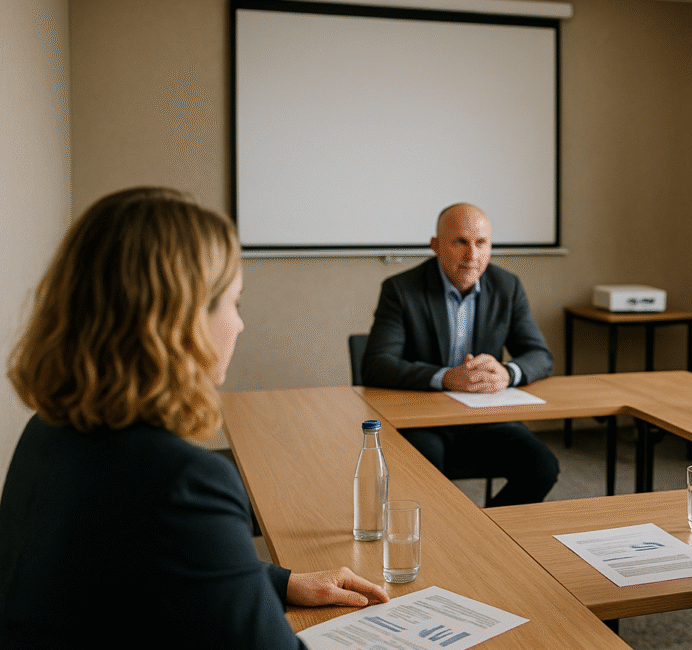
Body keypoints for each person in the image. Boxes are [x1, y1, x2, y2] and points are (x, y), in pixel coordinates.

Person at [0, 187, 388, 648]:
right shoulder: (184, 482)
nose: (240, 325)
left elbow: (142, 558)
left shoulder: (46, 434)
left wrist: (280, 583)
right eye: (234, 302)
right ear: (181, 318)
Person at [362, 203, 558, 507]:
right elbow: (376, 365)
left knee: (542, 466)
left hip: (484, 417)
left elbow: (539, 355)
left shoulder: (507, 287)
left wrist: (508, 373)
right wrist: (445, 377)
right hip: (423, 419)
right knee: (426, 474)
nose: (472, 256)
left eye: (481, 243)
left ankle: (487, 534)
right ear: (436, 246)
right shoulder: (401, 290)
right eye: (460, 242)